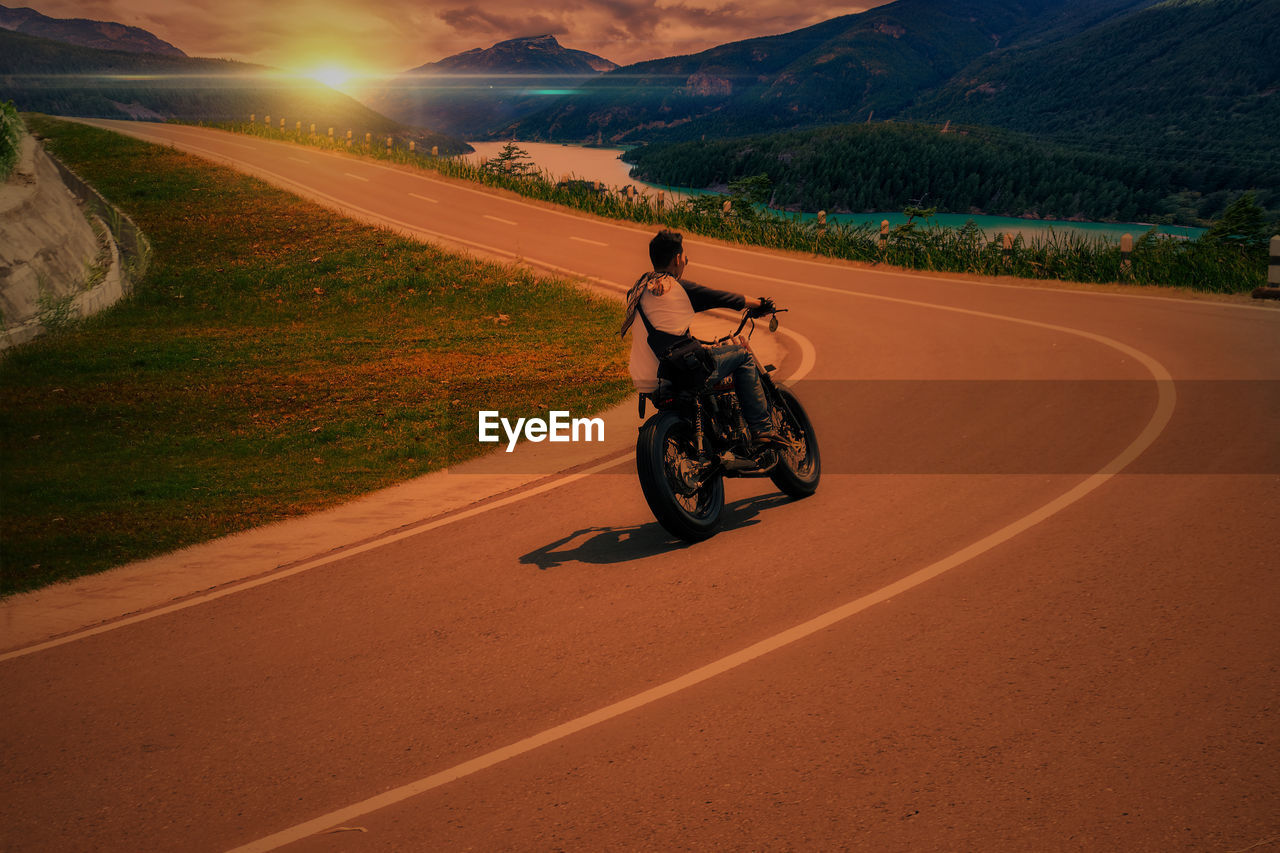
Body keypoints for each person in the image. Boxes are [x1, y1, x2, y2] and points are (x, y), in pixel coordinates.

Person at [621, 229, 780, 444]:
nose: (686, 260)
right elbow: (723, 297)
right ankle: (762, 429)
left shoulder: (637, 290)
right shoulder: (675, 288)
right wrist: (760, 304)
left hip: (650, 377)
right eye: (684, 256)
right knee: (742, 356)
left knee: (706, 357)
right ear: (677, 258)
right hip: (680, 371)